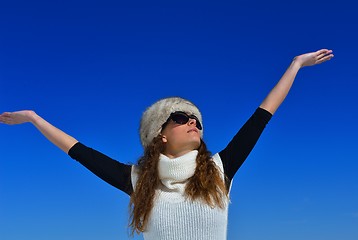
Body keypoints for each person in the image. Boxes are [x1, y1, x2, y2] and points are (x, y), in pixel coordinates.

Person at [0, 49, 333, 239]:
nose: (193, 122)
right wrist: (33, 118)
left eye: (197, 120)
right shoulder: (139, 180)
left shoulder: (219, 170)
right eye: (181, 117)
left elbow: (262, 115)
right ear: (159, 133)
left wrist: (295, 65)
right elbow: (79, 152)